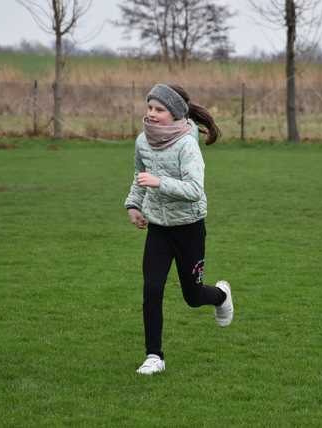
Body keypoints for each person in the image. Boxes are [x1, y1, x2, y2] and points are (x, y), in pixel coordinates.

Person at [124, 83, 233, 375]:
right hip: (159, 227)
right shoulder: (142, 141)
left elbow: (195, 189)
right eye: (149, 107)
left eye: (159, 109)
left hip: (189, 228)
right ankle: (154, 356)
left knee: (193, 296)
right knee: (152, 288)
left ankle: (221, 296)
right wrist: (134, 206)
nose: (152, 114)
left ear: (175, 114)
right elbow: (139, 175)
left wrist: (159, 182)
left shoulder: (187, 144)